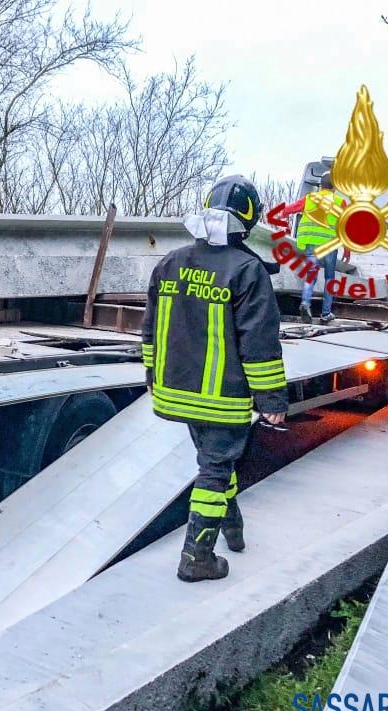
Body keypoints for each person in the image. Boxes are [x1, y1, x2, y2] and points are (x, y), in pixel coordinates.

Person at [140, 175, 289, 582]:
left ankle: (233, 530)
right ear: (250, 217)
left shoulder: (169, 263)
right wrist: (272, 401)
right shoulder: (248, 270)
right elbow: (259, 342)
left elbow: (150, 329)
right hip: (222, 397)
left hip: (175, 393)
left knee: (215, 462)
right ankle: (196, 558)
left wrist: (151, 374)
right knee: (216, 469)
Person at [282, 171, 350, 324]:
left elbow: (289, 210)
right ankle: (325, 313)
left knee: (311, 275)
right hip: (329, 246)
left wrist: (282, 216)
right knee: (329, 279)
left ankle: (305, 303)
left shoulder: (309, 199)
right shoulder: (339, 202)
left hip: (311, 244)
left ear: (320, 186)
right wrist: (347, 249)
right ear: (334, 188)